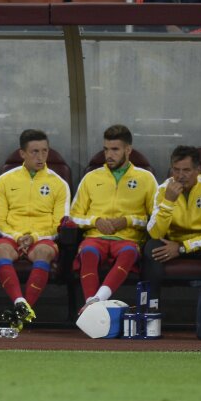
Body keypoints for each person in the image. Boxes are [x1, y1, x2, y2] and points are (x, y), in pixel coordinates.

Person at [71, 124, 156, 310]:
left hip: (127, 239)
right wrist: (95, 221)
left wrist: (128, 221)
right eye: (106, 149)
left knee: (128, 252)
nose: (109, 155)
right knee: (88, 252)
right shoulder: (91, 178)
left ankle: (96, 301)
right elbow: (73, 217)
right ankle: (92, 304)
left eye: (115, 150)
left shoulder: (146, 179)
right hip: (95, 237)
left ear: (128, 150)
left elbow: (155, 220)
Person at [0, 128, 71, 326]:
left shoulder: (59, 184)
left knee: (44, 252)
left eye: (44, 151)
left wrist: (34, 237)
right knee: (1, 250)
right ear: (22, 153)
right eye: (35, 151)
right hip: (12, 237)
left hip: (42, 238)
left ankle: (21, 315)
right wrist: (17, 236)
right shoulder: (5, 180)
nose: (41, 156)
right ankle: (20, 303)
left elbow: (59, 224)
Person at [138, 145, 201, 301]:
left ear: (198, 170)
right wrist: (168, 202)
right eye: (176, 170)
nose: (180, 176)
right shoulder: (163, 190)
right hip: (171, 243)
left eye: (186, 170)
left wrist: (183, 247)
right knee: (151, 247)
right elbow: (154, 233)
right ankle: (152, 308)